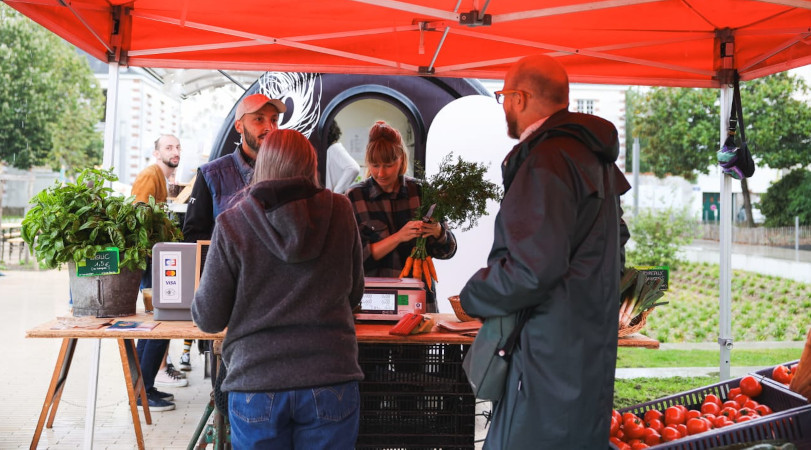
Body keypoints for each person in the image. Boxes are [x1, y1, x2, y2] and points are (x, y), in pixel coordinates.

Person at [459, 54, 631, 449]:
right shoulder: (594, 158)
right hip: (587, 344)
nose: (503, 105)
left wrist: (474, 294)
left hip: (546, 352)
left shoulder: (545, 161)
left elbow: (530, 270)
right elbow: (615, 244)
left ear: (519, 98)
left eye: (504, 95)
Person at [192, 129, 364, 449]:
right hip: (331, 376)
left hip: (255, 382)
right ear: (312, 165)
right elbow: (354, 293)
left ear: (263, 166)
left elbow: (209, 318)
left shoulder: (233, 222)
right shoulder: (341, 211)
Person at [181, 93, 286, 375]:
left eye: (274, 120)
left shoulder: (287, 173)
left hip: (279, 304)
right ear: (239, 126)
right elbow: (194, 238)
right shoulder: (211, 174)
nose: (269, 127)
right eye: (259, 119)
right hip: (229, 306)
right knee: (227, 389)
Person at [345, 120, 456, 312]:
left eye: (388, 165)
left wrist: (438, 232)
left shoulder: (422, 192)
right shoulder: (354, 197)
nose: (380, 173)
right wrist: (399, 237)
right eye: (374, 165)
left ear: (402, 159)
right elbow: (352, 259)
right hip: (373, 303)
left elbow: (449, 251)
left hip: (419, 304)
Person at [131, 134, 188, 412]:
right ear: (156, 153)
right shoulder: (150, 174)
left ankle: (144, 387)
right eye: (168, 147)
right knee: (160, 325)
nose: (174, 151)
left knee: (156, 326)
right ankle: (143, 392)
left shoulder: (161, 178)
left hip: (156, 258)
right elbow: (137, 215)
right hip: (151, 259)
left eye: (177, 147)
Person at [324, 122, 360, 194]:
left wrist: (336, 192)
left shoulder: (334, 148)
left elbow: (353, 168)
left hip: (330, 199)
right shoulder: (328, 150)